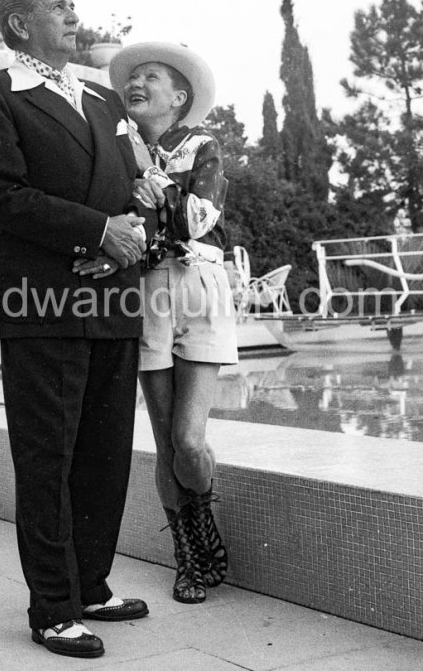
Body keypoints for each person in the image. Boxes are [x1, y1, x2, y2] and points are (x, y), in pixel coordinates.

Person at [0, 0, 152, 659]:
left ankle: (90, 585)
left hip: (113, 296)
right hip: (42, 303)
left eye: (74, 5)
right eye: (61, 6)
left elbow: (135, 188)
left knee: (103, 454)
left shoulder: (102, 98)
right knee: (48, 457)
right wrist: (99, 232)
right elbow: (6, 196)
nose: (76, 16)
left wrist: (122, 241)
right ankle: (51, 608)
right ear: (19, 24)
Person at [108, 43, 239, 604]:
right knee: (165, 443)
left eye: (151, 76)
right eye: (132, 76)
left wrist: (157, 188)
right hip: (146, 291)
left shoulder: (203, 145)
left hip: (199, 287)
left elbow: (197, 218)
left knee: (189, 439)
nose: (137, 82)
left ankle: (203, 520)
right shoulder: (117, 149)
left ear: (178, 96)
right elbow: (116, 224)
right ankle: (188, 555)